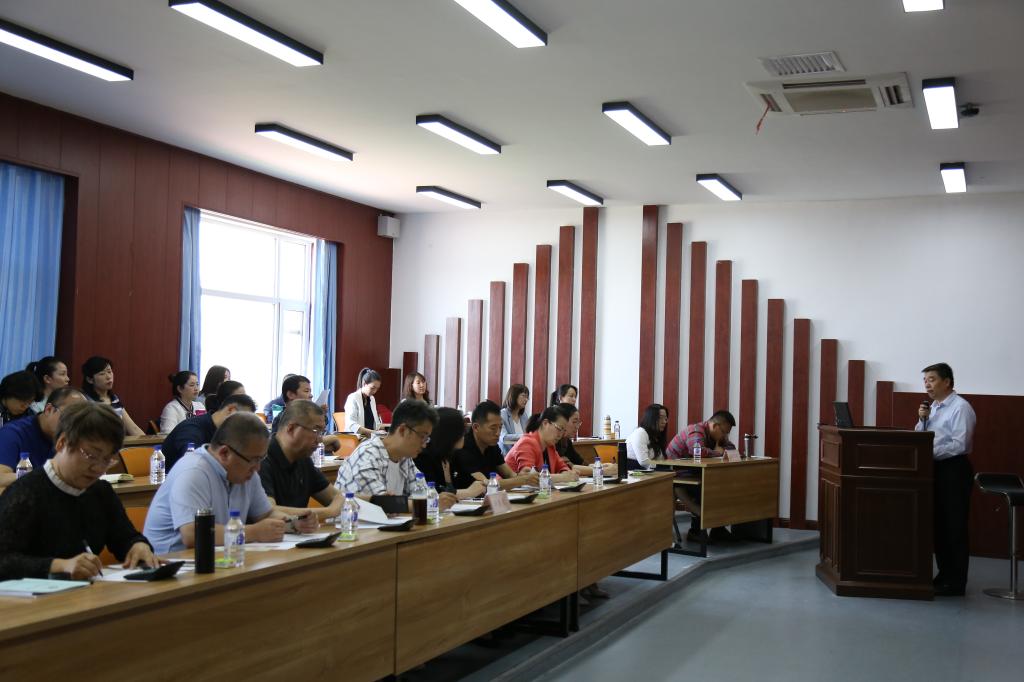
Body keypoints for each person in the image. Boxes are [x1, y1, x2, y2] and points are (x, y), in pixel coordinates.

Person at [0, 401, 158, 580]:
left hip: (86, 591)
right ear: (62, 443)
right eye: (91, 456)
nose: (98, 468)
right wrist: (60, 565)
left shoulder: (100, 492)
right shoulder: (25, 493)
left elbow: (125, 537)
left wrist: (138, 546)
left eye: (107, 460)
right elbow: (4, 560)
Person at [143, 412, 317, 555]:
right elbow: (192, 534)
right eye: (253, 459)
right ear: (225, 453)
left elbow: (265, 514)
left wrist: (293, 523)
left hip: (218, 557)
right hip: (171, 564)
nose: (257, 468)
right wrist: (254, 532)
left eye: (261, 459)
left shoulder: (246, 472)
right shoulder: (194, 472)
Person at [915, 362, 976, 597]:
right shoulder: (932, 408)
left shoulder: (961, 408)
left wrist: (928, 453)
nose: (927, 385)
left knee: (954, 526)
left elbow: (960, 444)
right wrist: (922, 420)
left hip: (954, 470)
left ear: (947, 382)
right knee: (940, 525)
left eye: (932, 379)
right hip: (935, 469)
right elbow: (919, 436)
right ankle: (944, 576)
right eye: (925, 381)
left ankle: (956, 582)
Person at [334, 399, 457, 512]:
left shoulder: (405, 458)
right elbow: (382, 505)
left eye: (427, 439)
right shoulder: (367, 455)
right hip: (352, 526)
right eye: (422, 437)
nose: (424, 445)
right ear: (403, 430)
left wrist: (432, 502)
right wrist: (430, 504)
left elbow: (424, 495)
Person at [259, 400, 344, 522]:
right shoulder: (261, 459)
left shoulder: (303, 459)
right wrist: (329, 512)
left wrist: (333, 507)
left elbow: (336, 496)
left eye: (321, 432)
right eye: (315, 431)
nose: (320, 439)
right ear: (291, 428)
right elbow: (267, 511)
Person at [666, 410, 737, 542]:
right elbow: (696, 451)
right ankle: (696, 531)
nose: (725, 435)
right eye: (724, 432)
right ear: (715, 426)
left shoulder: (717, 435)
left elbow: (732, 450)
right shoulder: (695, 430)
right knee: (708, 489)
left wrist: (723, 451)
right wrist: (719, 453)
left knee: (723, 486)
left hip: (695, 472)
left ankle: (718, 529)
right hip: (678, 474)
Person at [0, 388, 86, 491]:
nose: (74, 425)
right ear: (49, 410)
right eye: (69, 417)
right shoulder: (12, 433)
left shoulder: (71, 438)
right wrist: (38, 476)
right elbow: (1, 477)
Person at [453, 400, 539, 491]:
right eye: (493, 428)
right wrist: (523, 480)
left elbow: (509, 474)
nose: (498, 433)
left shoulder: (492, 446)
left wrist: (523, 476)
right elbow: (486, 484)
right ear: (476, 427)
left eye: (500, 427)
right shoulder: (463, 447)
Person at [161, 393, 257, 472]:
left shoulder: (225, 433)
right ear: (231, 410)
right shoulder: (191, 429)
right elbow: (193, 462)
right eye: (244, 421)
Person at [414, 407, 487, 499]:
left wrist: (480, 486)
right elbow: (431, 493)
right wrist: (467, 492)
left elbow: (468, 482)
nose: (464, 434)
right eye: (461, 430)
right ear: (449, 433)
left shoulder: (454, 454)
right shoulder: (423, 456)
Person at [504, 406, 580, 483]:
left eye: (564, 431)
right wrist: (563, 477)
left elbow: (563, 467)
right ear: (545, 423)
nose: (561, 435)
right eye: (559, 428)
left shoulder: (550, 446)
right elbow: (528, 478)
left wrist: (567, 474)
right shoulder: (527, 443)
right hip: (506, 489)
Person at [81, 356, 144, 436]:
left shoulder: (114, 399)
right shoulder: (84, 400)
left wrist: (149, 442)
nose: (108, 377)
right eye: (102, 374)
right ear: (90, 379)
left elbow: (133, 428)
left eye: (109, 372)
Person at [554, 403, 616, 478]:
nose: (577, 426)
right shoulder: (553, 441)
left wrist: (602, 466)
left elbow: (581, 463)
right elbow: (568, 467)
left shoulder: (566, 441)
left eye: (578, 422)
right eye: (574, 422)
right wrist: (603, 471)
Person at [626, 404, 670, 469]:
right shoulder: (640, 433)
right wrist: (662, 466)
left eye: (665, 418)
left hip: (648, 471)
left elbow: (660, 459)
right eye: (660, 418)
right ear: (650, 419)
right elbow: (643, 462)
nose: (664, 422)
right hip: (634, 471)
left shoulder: (656, 436)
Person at [344, 368, 385, 437]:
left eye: (377, 389)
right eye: (372, 388)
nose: (375, 391)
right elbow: (351, 425)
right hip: (356, 438)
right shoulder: (353, 398)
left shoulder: (372, 399)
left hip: (370, 437)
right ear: (364, 383)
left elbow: (376, 423)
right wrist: (374, 432)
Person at [499, 383, 530, 455]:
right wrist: (526, 436)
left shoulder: (524, 415)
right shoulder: (502, 414)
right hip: (506, 456)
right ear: (514, 396)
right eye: (523, 396)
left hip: (522, 454)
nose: (526, 400)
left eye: (527, 397)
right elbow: (504, 438)